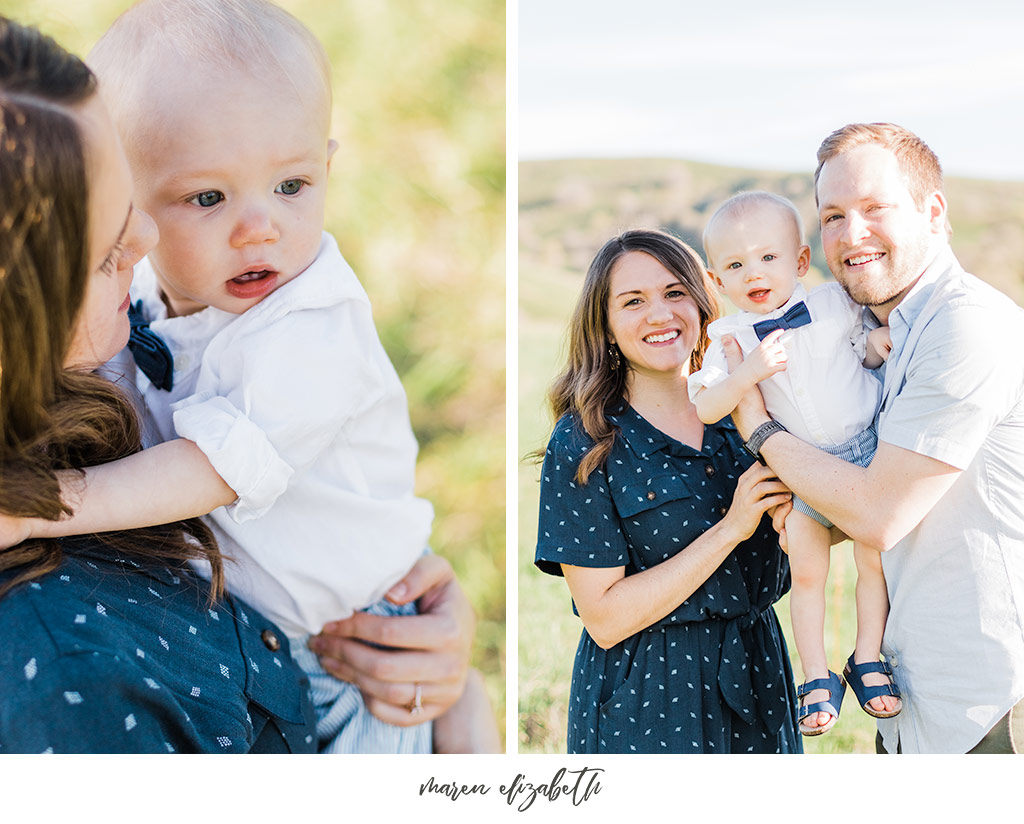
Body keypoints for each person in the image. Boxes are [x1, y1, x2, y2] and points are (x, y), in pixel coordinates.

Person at [0, 12, 485, 754]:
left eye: (292, 184)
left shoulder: (311, 328)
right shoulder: (62, 662)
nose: (260, 227)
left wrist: (43, 508)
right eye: (206, 198)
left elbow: (214, 467)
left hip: (357, 649)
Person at [725, 122, 1024, 754]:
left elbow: (878, 514)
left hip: (987, 700)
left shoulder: (965, 328)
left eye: (873, 208)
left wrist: (759, 428)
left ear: (933, 210)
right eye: (832, 216)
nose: (850, 234)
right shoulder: (874, 328)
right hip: (909, 697)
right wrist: (807, 507)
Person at [534, 228, 801, 753]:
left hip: (758, 669)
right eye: (633, 302)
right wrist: (730, 530)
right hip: (649, 692)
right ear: (606, 327)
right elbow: (605, 620)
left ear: (702, 304)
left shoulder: (753, 407)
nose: (659, 315)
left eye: (674, 292)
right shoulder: (586, 440)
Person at [688, 191, 901, 735]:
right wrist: (747, 375)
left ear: (800, 263)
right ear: (716, 281)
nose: (753, 273)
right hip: (800, 469)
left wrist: (879, 342)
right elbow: (708, 404)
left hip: (866, 453)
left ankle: (868, 656)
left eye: (767, 258)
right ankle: (815, 676)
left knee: (874, 562)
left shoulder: (833, 304)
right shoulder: (730, 339)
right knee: (806, 573)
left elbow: (864, 354)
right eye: (734, 266)